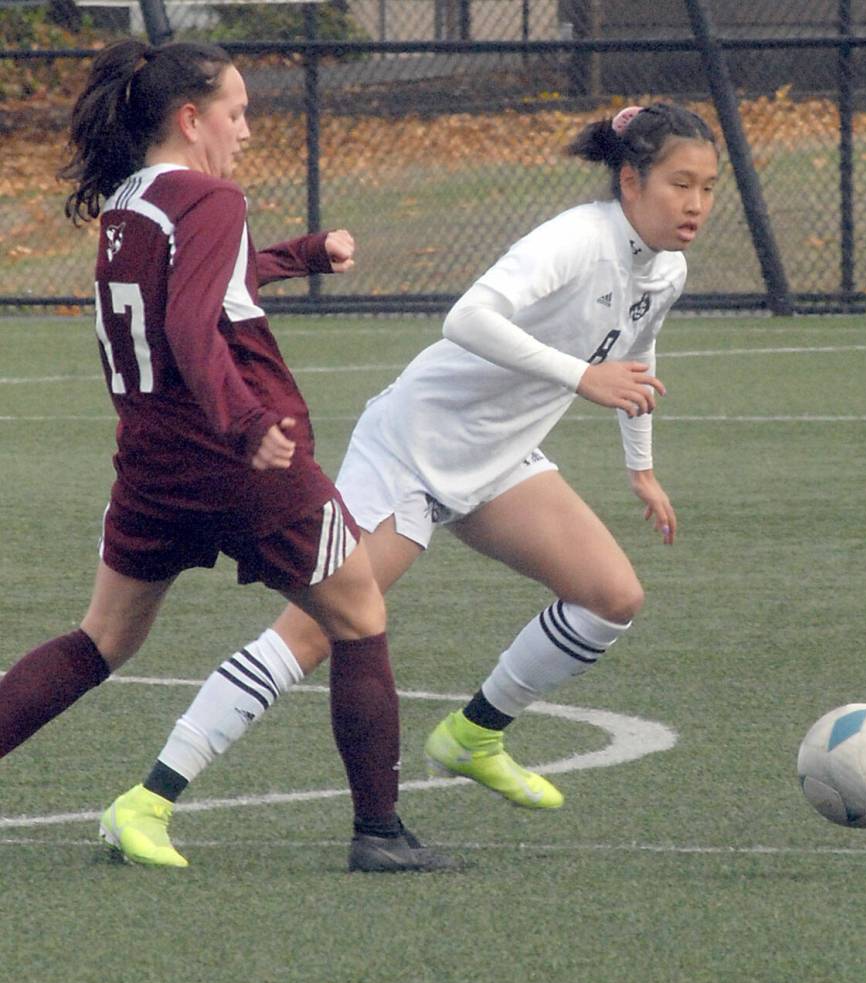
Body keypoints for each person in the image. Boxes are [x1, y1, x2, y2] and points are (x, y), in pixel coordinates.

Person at [103, 101, 720, 865]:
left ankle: (473, 733)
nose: (694, 204)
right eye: (678, 184)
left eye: (706, 188)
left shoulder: (666, 268)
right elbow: (468, 318)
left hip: (499, 461)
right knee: (316, 633)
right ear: (629, 180)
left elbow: (639, 356)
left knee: (611, 597)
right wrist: (580, 377)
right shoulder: (576, 240)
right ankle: (149, 797)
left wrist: (641, 466)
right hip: (414, 452)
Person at [0, 38, 453, 873]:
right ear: (189, 117)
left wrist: (307, 254)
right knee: (358, 617)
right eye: (237, 112)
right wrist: (247, 425)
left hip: (150, 464)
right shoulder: (209, 197)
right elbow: (190, 323)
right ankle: (381, 834)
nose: (246, 128)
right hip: (238, 466)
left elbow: (206, 283)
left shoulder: (131, 205)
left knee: (102, 637)